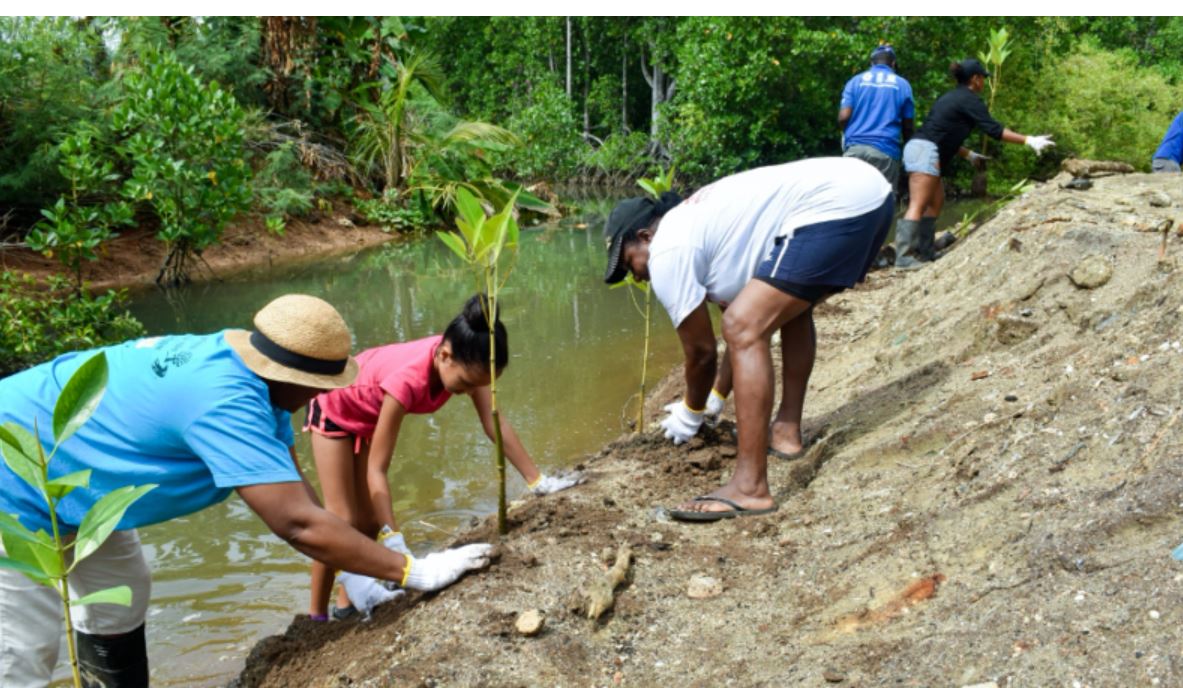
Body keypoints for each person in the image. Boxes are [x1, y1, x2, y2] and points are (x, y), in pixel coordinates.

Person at [0, 294, 493, 687]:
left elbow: (299, 495)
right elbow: (295, 523)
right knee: (24, 650)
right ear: (293, 377)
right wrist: (413, 571)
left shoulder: (255, 379)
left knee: (119, 597)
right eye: (319, 387)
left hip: (80, 492)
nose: (323, 397)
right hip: (15, 472)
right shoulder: (224, 403)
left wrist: (359, 570)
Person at [603, 158, 893, 521]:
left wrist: (691, 412)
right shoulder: (704, 231)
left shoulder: (668, 249)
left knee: (744, 325)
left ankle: (750, 488)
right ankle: (785, 433)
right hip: (872, 197)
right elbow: (741, 335)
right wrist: (716, 396)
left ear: (646, 237)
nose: (635, 276)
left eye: (628, 262)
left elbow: (703, 352)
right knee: (784, 311)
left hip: (837, 205)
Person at [306, 294, 581, 620]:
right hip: (334, 407)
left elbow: (494, 424)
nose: (469, 392)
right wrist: (395, 541)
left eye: (476, 386)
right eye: (465, 384)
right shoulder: (407, 382)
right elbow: (377, 470)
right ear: (444, 356)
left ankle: (345, 605)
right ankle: (316, 616)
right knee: (340, 519)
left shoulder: (470, 355)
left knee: (367, 522)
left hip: (366, 417)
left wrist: (537, 481)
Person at [896, 57, 1054, 268]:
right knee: (918, 204)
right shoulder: (969, 99)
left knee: (936, 201)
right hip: (925, 151)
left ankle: (925, 252)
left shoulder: (951, 97)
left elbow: (943, 133)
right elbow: (994, 130)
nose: (984, 83)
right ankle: (903, 258)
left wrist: (969, 155)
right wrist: (1028, 140)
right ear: (975, 79)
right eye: (982, 78)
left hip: (921, 148)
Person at [839, 43, 915, 187]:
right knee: (883, 198)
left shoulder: (855, 81)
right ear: (893, 63)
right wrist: (908, 152)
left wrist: (845, 135)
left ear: (871, 63)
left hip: (855, 150)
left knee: (852, 197)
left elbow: (843, 117)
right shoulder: (903, 85)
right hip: (885, 152)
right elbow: (908, 127)